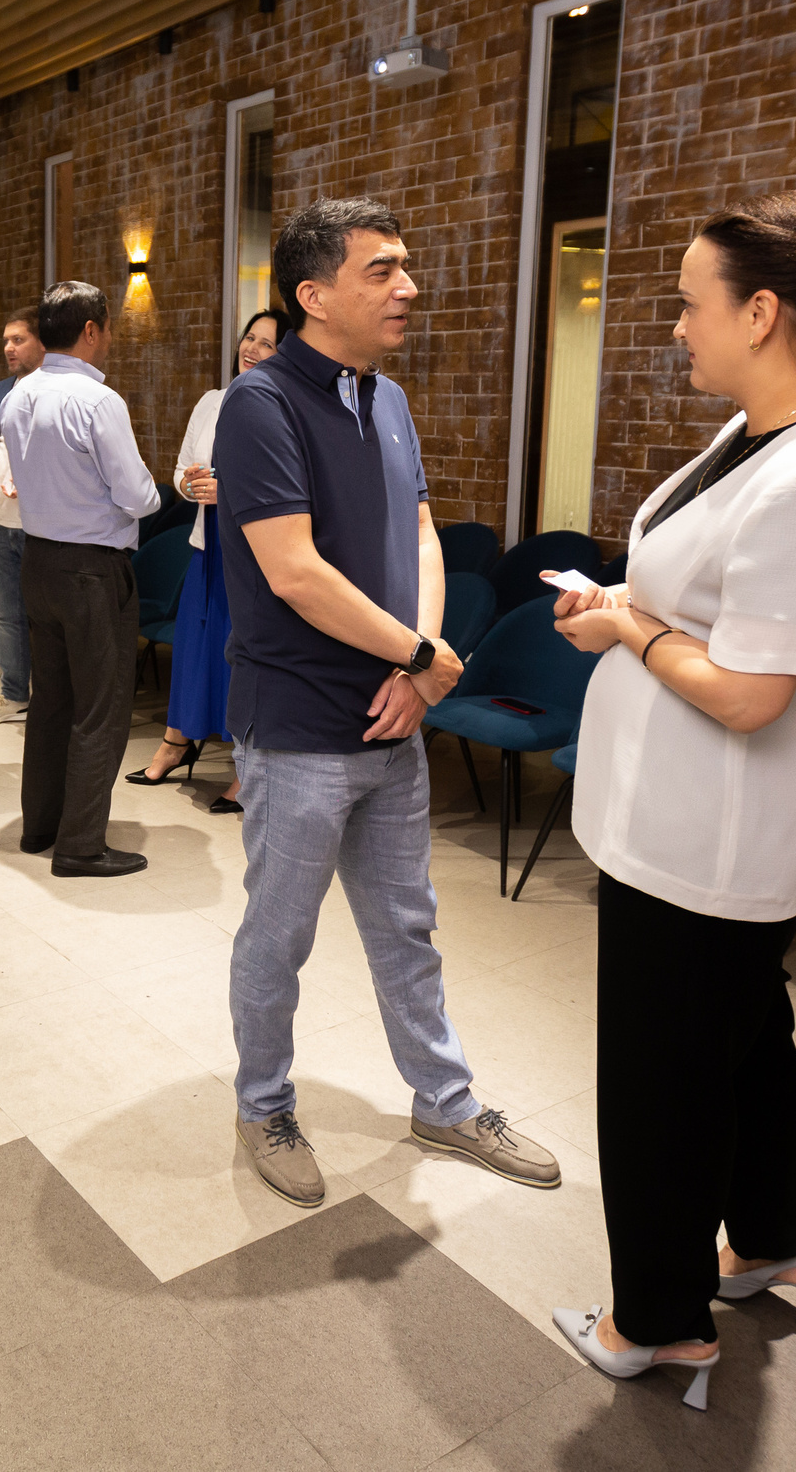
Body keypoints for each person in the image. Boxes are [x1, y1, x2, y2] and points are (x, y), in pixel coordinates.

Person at [546, 191, 796, 1407]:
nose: (673, 326)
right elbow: (709, 595)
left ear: (760, 314)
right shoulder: (775, 428)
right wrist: (633, 612)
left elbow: (754, 693)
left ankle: (658, 1321)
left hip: (707, 841)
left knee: (663, 1079)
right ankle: (771, 1240)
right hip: (698, 825)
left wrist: (629, 626)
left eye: (687, 303)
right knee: (747, 1047)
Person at [216, 197, 560, 1210]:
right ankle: (264, 1103)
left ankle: (443, 1100)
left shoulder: (389, 399)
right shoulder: (261, 405)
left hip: (393, 713)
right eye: (383, 270)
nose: (407, 287)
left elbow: (420, 539)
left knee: (406, 926)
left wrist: (423, 668)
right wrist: (419, 653)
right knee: (279, 934)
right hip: (297, 724)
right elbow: (294, 573)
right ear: (314, 294)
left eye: (405, 267)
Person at [0, 281, 161, 876]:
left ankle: (41, 827)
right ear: (92, 330)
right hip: (92, 569)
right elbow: (139, 495)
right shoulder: (98, 401)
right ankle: (81, 845)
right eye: (109, 328)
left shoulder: (19, 395)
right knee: (101, 708)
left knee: (51, 703)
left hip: (37, 560)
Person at [127, 307, 286, 812]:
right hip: (207, 543)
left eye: (267, 344)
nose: (253, 349)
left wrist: (229, 490)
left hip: (254, 554)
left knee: (239, 657)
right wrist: (190, 485)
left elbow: (286, 488)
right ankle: (177, 741)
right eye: (250, 338)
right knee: (196, 647)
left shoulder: (286, 407)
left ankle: (246, 767)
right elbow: (179, 471)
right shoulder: (213, 401)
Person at [0, 308, 45, 728]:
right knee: (6, 615)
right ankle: (15, 693)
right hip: (0, 520)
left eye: (17, 339)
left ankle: (52, 699)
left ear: (40, 342)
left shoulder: (54, 388)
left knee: (45, 618)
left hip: (41, 526)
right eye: (5, 340)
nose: (8, 348)